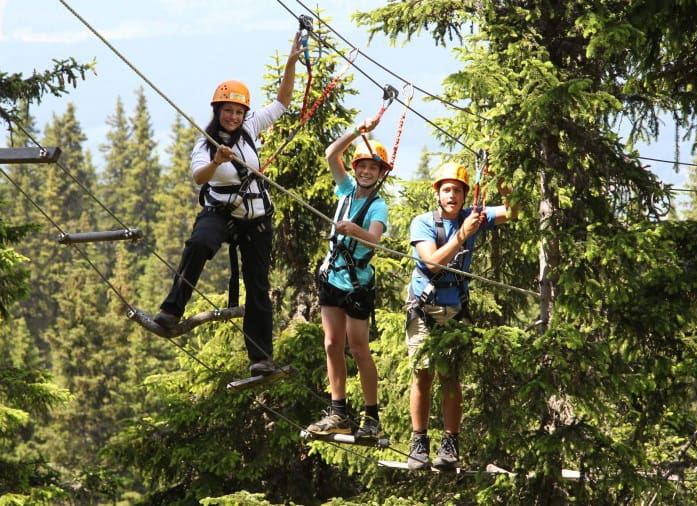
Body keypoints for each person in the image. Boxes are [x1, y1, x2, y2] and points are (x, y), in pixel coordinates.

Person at [154, 33, 302, 377]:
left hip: (255, 217)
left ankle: (261, 357)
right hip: (220, 211)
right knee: (200, 243)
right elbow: (198, 178)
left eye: (238, 111)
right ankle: (171, 310)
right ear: (217, 111)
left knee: (258, 284)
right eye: (228, 111)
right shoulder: (205, 145)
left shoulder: (251, 127)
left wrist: (291, 62)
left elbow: (282, 102)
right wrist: (216, 159)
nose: (234, 117)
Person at [404, 161, 516, 470]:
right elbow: (430, 264)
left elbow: (513, 210)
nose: (452, 195)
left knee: (450, 377)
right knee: (423, 375)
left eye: (457, 190)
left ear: (465, 195)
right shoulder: (423, 222)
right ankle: (419, 441)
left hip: (454, 309)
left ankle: (450, 443)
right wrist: (462, 236)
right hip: (424, 309)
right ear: (438, 194)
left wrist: (502, 180)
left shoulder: (474, 217)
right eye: (447, 190)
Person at [305, 117, 390, 440]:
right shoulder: (345, 190)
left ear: (381, 173)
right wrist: (359, 131)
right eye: (362, 166)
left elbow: (374, 239)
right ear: (355, 169)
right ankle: (338, 410)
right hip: (332, 277)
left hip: (356, 284)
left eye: (373, 168)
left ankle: (371, 416)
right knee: (331, 344)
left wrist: (355, 230)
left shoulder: (377, 206)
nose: (366, 172)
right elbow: (331, 154)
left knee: (358, 348)